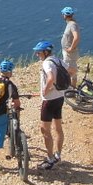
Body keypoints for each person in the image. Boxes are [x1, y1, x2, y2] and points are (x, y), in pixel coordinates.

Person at [33, 40, 66, 169]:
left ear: (45, 52)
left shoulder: (47, 63)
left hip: (49, 101)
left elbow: (51, 78)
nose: (37, 54)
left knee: (45, 131)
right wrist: (59, 87)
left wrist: (46, 91)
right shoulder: (57, 60)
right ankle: (58, 155)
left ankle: (50, 159)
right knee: (58, 128)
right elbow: (72, 70)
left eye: (39, 52)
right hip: (60, 98)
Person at [61, 6, 80, 88]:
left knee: (70, 70)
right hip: (68, 52)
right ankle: (71, 88)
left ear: (65, 15)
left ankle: (71, 89)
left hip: (70, 53)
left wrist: (71, 48)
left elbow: (76, 37)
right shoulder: (71, 23)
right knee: (70, 70)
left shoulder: (72, 25)